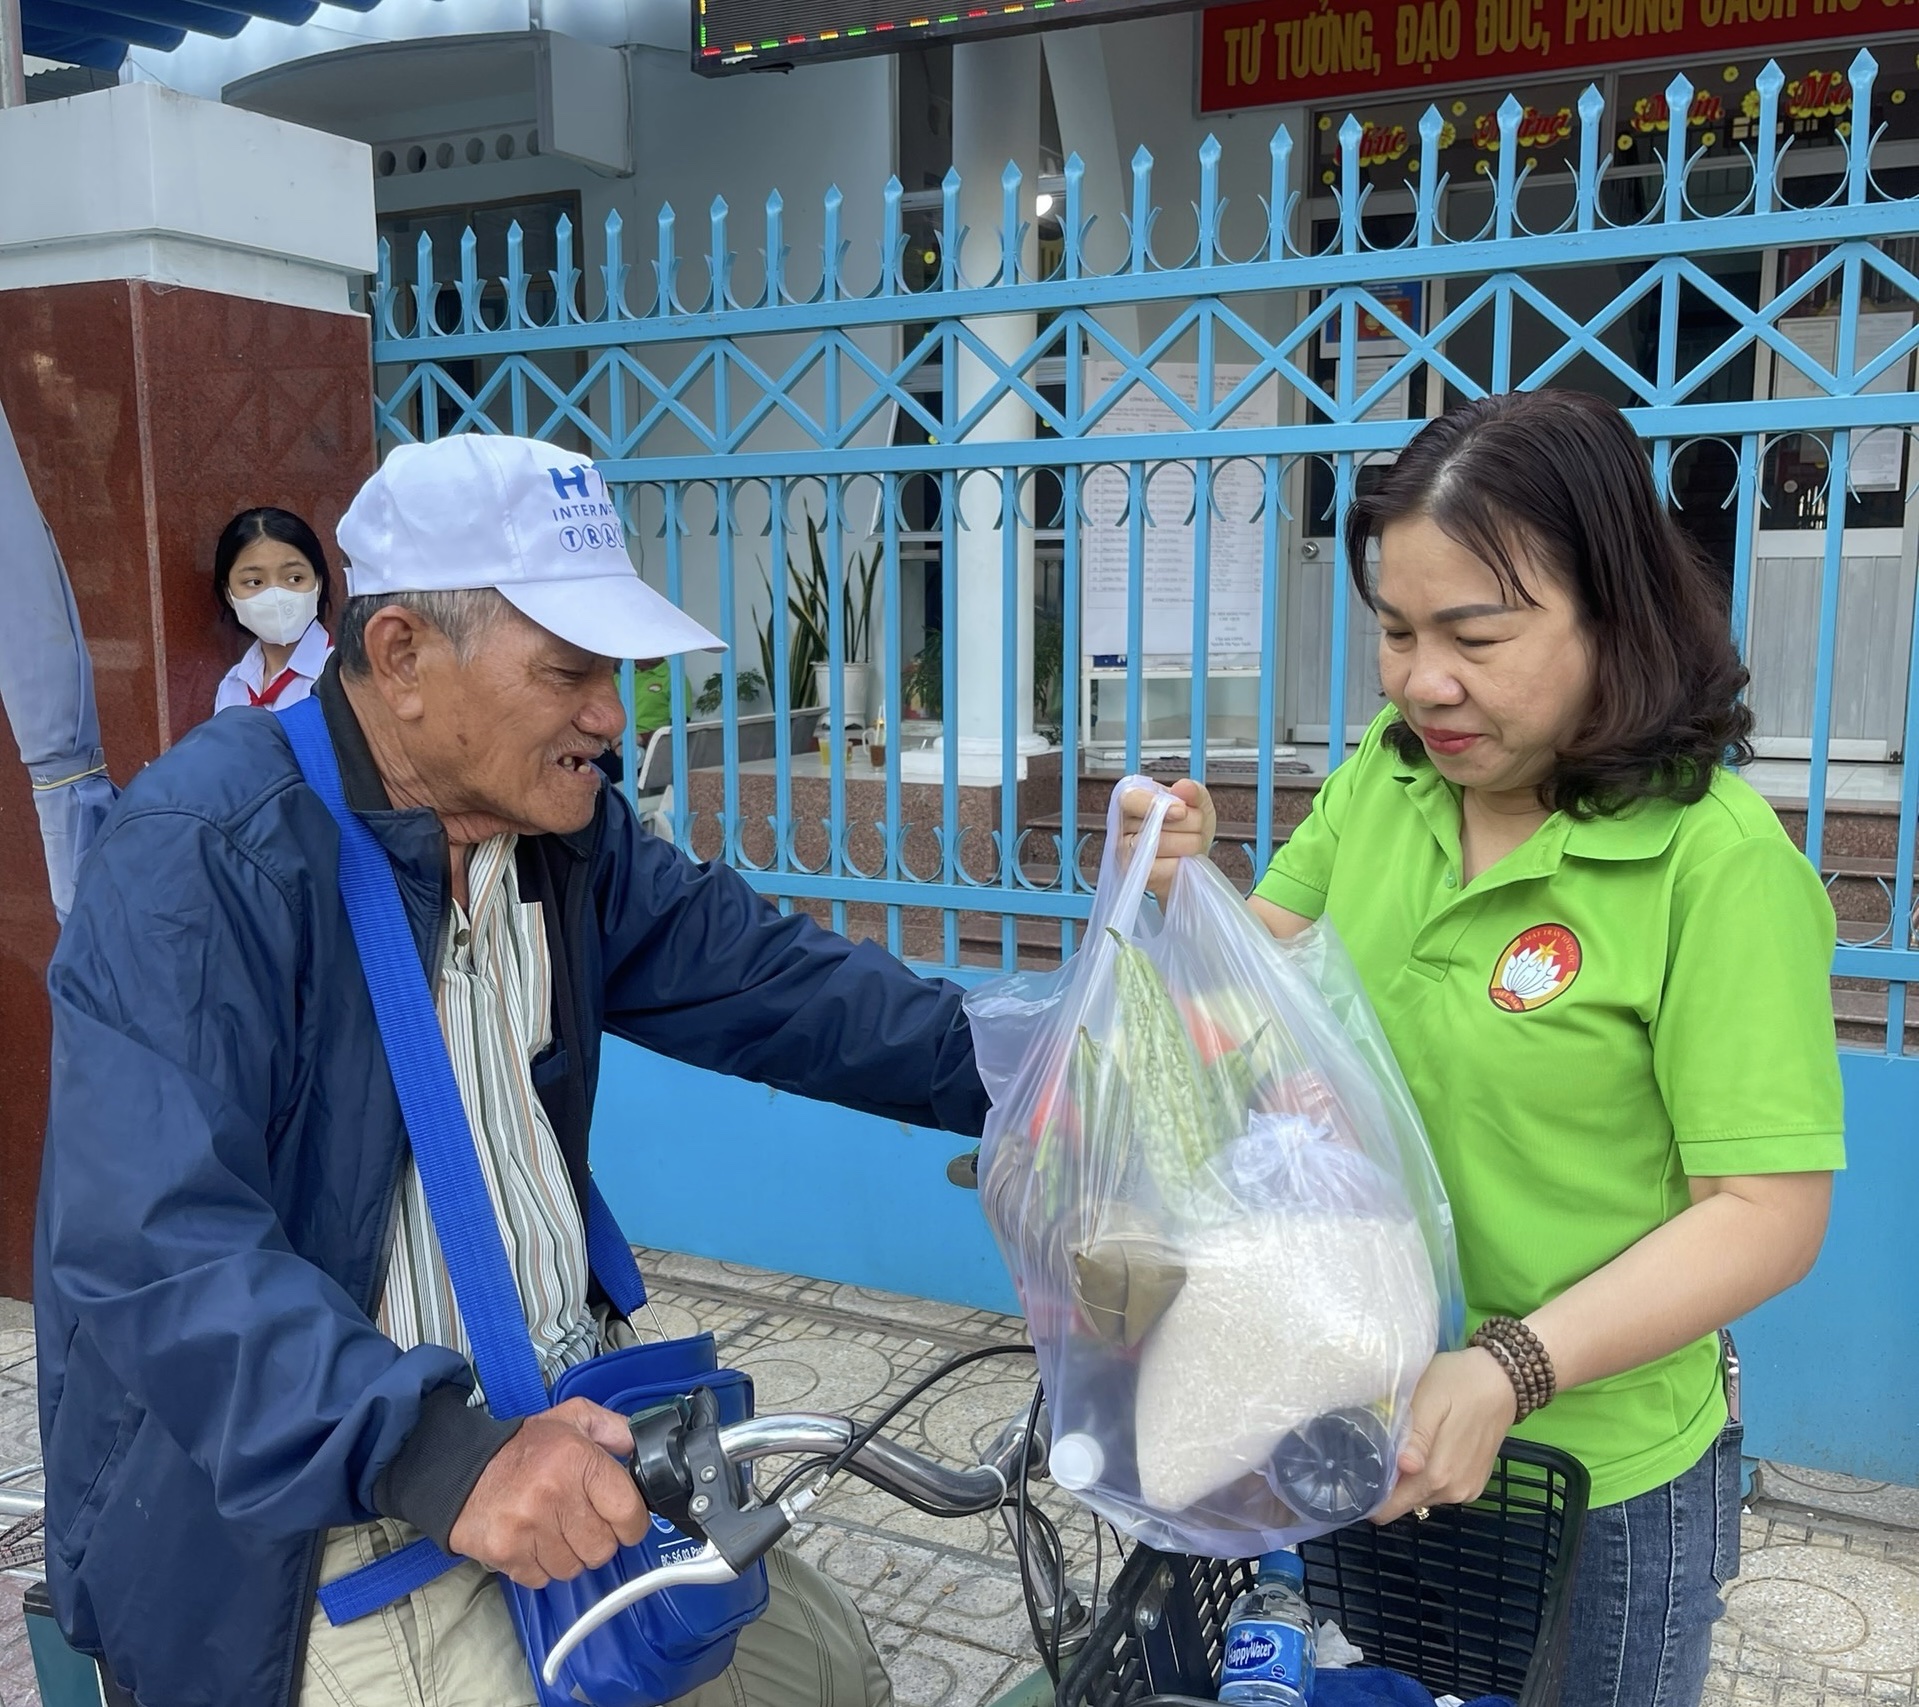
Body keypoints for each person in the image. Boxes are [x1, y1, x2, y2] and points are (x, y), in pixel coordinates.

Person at [38, 436, 985, 1707]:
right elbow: (154, 1247)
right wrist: (441, 1457)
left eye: (614, 671)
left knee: (830, 1675)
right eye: (569, 671)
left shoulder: (559, 834)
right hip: (322, 1514)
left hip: (563, 1434)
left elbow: (785, 987)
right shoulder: (204, 856)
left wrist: (1042, 1077)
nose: (610, 714)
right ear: (403, 660)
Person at [1128, 389, 1843, 1707]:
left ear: (1609, 615)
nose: (1420, 680)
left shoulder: (1712, 862)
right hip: (1364, 1404)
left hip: (1594, 1471)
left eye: (1473, 633)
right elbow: (1262, 990)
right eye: (1395, 632)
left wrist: (1513, 1365)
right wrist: (1183, 890)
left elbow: (1763, 1213)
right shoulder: (1385, 778)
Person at [211, 506, 335, 713]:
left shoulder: (345, 676)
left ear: (318, 584)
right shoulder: (232, 686)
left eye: (295, 578)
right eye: (254, 582)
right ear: (229, 594)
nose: (276, 595)